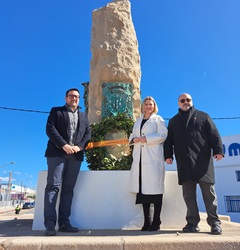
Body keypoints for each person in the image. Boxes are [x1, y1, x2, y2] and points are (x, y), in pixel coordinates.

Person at [164, 93, 224, 235]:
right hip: (185, 163)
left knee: (209, 194)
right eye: (182, 100)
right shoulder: (173, 121)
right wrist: (168, 155)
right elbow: (168, 141)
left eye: (188, 100)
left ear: (192, 101)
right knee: (188, 195)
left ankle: (215, 223)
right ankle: (192, 223)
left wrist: (218, 150)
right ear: (178, 103)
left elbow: (214, 134)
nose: (186, 102)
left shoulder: (204, 116)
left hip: (203, 162)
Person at [44, 88, 91, 236]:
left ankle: (64, 223)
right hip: (57, 153)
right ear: (66, 98)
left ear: (79, 99)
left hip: (75, 156)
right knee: (53, 186)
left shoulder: (84, 116)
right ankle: (50, 224)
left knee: (68, 189)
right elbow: (50, 129)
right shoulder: (56, 111)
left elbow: (88, 133)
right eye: (71, 96)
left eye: (76, 97)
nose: (74, 98)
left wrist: (79, 146)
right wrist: (64, 145)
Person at [129, 96, 168, 231]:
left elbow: (163, 135)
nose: (148, 106)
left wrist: (146, 138)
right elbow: (133, 135)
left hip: (153, 159)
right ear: (142, 106)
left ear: (154, 106)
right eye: (146, 104)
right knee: (143, 193)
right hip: (140, 159)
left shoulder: (158, 119)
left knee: (156, 192)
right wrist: (133, 139)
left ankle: (156, 221)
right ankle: (147, 221)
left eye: (150, 104)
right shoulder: (138, 120)